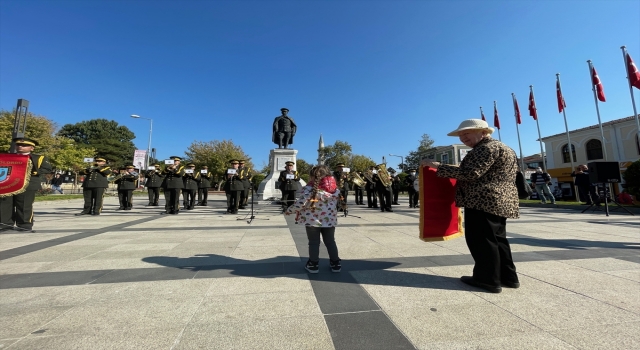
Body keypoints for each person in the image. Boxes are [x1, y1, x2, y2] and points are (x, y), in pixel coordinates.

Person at [421, 119, 519, 294]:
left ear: (483, 132)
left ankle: (487, 279)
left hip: (482, 200)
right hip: (500, 200)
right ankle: (508, 277)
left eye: (466, 133)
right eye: (460, 135)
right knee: (498, 240)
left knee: (482, 241)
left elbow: (470, 173)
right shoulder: (505, 148)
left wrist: (438, 166)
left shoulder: (485, 148)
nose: (462, 137)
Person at [285, 165, 342, 273]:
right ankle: (335, 263)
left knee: (314, 242)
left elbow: (301, 203)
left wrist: (289, 210)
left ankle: (313, 264)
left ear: (312, 176)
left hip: (312, 220)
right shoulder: (334, 190)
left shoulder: (309, 189)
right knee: (330, 241)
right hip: (329, 220)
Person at [0, 138, 53, 232]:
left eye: (24, 145)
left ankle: (24, 225)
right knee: (5, 204)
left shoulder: (39, 158)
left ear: (32, 148)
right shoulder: (8, 156)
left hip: (28, 184)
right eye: (18, 145)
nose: (20, 147)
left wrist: (31, 171)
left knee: (24, 205)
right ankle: (5, 224)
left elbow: (47, 169)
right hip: (9, 183)